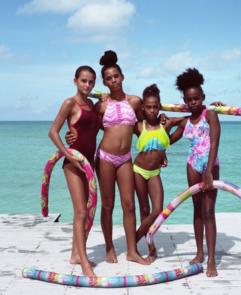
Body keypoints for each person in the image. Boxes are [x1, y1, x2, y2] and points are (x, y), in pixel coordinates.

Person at [95, 50, 149, 265]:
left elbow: (144, 129)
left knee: (129, 205)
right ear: (105, 82)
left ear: (122, 76)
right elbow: (90, 128)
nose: (113, 80)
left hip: (125, 158)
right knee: (108, 205)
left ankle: (131, 251)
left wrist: (157, 151)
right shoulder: (101, 105)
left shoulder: (135, 102)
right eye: (108, 78)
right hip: (106, 157)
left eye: (116, 76)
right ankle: (109, 247)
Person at [48, 65, 101, 277]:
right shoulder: (70, 103)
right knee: (80, 211)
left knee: (88, 211)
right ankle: (84, 262)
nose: (87, 85)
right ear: (75, 81)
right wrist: (67, 154)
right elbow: (53, 132)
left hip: (90, 162)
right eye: (84, 81)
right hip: (73, 163)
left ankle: (75, 254)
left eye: (91, 82)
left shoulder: (93, 105)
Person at [170, 68, 221, 277]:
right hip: (192, 164)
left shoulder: (210, 115)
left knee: (208, 211)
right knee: (196, 209)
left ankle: (211, 260)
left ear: (203, 97)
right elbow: (168, 141)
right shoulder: (185, 122)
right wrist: (169, 122)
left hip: (210, 164)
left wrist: (209, 170)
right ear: (184, 100)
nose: (193, 102)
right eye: (189, 100)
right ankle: (199, 253)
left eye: (196, 98)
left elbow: (215, 142)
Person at [133, 84, 183, 262]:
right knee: (144, 209)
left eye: (155, 107)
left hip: (154, 172)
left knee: (157, 210)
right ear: (143, 108)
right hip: (138, 170)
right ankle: (150, 246)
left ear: (159, 107)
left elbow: (186, 122)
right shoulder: (139, 125)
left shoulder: (166, 123)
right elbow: (114, 127)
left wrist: (169, 142)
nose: (152, 110)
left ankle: (134, 239)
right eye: (148, 107)